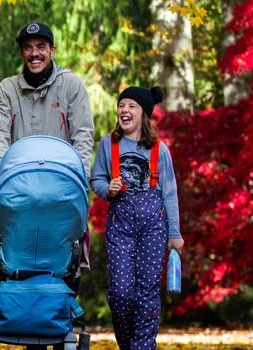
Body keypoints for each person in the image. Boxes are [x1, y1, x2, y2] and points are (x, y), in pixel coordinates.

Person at [90, 86, 184, 350]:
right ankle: (128, 343)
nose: (125, 111)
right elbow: (96, 179)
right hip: (120, 226)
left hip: (154, 227)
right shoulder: (108, 144)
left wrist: (174, 233)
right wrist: (107, 190)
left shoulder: (159, 150)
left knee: (147, 294)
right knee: (121, 293)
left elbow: (170, 193)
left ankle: (142, 346)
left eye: (132, 106)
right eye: (122, 106)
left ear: (143, 114)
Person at [0, 22, 95, 175]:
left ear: (52, 51)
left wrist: (79, 176)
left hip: (62, 177)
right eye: (28, 47)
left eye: (41, 46)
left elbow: (83, 135)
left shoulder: (71, 84)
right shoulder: (7, 89)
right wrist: (5, 175)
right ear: (21, 53)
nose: (34, 53)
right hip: (19, 178)